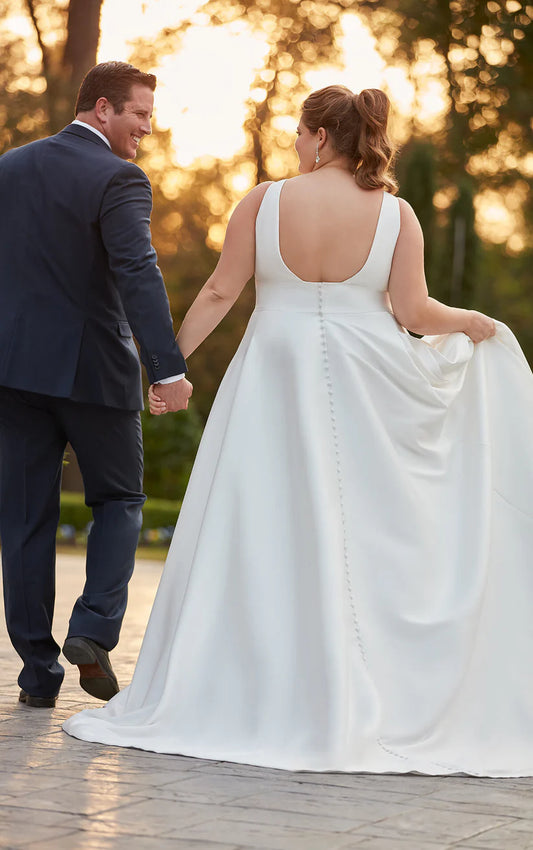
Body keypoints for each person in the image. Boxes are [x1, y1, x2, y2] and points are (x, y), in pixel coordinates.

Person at [63, 86, 533, 776]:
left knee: (262, 522)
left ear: (318, 135)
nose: (291, 144)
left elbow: (222, 290)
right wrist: (467, 322)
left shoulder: (263, 201)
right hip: (364, 378)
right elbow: (411, 310)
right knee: (363, 531)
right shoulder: (396, 214)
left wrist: (168, 367)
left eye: (295, 133)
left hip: (272, 375)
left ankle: (259, 680)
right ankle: (368, 684)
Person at [0, 61, 193, 709]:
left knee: (25, 520)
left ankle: (37, 675)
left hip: (13, 370)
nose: (146, 128)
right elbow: (137, 271)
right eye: (139, 114)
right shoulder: (119, 177)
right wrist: (166, 367)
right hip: (94, 371)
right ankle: (91, 630)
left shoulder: (10, 167)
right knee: (120, 499)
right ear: (103, 108)